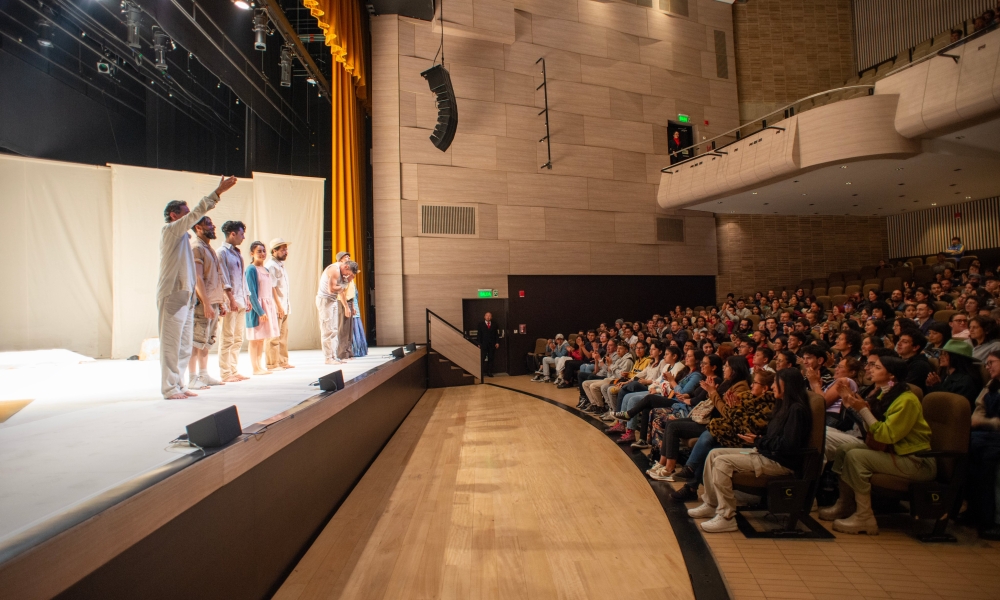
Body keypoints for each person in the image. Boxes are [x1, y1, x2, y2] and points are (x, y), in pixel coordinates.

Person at [820, 352, 935, 535]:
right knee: (844, 450)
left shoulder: (907, 400)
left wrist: (863, 410)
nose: (870, 369)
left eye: (877, 367)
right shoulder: (885, 393)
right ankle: (845, 504)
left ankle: (865, 517)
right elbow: (871, 429)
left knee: (857, 456)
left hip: (915, 461)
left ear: (891, 376)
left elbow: (886, 435)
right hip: (894, 452)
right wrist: (851, 405)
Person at [687, 368, 814, 532]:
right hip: (766, 453)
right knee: (713, 454)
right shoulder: (783, 405)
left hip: (779, 462)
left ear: (787, 385)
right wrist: (758, 439)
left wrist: (759, 441)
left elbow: (788, 446)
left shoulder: (796, 410)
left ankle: (727, 517)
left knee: (722, 461)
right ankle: (711, 504)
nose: (773, 387)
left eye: (776, 383)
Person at [157, 176, 236, 400]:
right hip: (172, 294)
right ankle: (169, 388)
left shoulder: (183, 237)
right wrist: (217, 192)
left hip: (186, 297)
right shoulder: (170, 230)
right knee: (171, 345)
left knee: (183, 346)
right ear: (174, 215)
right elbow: (195, 215)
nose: (191, 217)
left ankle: (179, 385)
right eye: (185, 212)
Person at [188, 216, 227, 390]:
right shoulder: (197, 248)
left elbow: (215, 277)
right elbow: (198, 278)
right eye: (208, 224)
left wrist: (221, 301)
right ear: (198, 228)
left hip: (214, 301)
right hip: (204, 302)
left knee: (208, 340)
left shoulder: (208, 248)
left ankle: (204, 374)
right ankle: (192, 377)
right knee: (196, 340)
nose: (213, 226)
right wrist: (205, 303)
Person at [967, 350, 1000, 539]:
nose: (987, 367)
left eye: (992, 363)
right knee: (971, 461)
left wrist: (986, 423)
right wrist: (978, 420)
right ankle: (976, 512)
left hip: (995, 436)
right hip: (985, 435)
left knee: (991, 468)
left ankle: (994, 520)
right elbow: (980, 408)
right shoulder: (991, 384)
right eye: (986, 363)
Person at [218, 220, 249, 383]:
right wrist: (230, 299)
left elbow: (242, 278)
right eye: (241, 234)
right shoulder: (222, 252)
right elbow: (224, 278)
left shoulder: (237, 253)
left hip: (241, 300)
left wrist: (247, 297)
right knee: (228, 337)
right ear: (232, 234)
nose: (243, 237)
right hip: (231, 301)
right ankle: (225, 372)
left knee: (238, 338)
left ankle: (234, 369)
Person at [245, 241, 280, 375]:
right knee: (255, 339)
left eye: (263, 251)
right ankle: (255, 367)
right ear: (252, 254)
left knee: (261, 339)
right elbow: (251, 292)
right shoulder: (251, 269)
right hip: (257, 308)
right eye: (259, 251)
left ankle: (259, 366)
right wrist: (259, 311)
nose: (262, 253)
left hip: (267, 306)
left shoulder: (265, 269)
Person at [317, 259, 359, 365]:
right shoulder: (334, 270)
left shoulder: (345, 277)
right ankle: (328, 357)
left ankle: (334, 356)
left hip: (333, 300)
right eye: (348, 274)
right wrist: (341, 287)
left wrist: (346, 307)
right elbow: (331, 289)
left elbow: (341, 293)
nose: (348, 277)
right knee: (328, 329)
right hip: (325, 300)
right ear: (345, 267)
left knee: (334, 329)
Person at [925, 339, 984, 409]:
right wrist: (930, 385)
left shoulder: (966, 381)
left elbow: (953, 404)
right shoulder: (945, 374)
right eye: (941, 353)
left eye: (945, 354)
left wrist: (936, 385)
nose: (940, 357)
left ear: (956, 357)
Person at [264, 238, 294, 371]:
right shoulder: (271, 265)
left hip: (284, 305)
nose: (285, 252)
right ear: (274, 251)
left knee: (283, 336)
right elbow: (271, 288)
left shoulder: (280, 265)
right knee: (273, 337)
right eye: (282, 249)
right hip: (277, 306)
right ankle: (272, 363)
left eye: (286, 249)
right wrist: (279, 306)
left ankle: (282, 361)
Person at [334, 251, 355, 360]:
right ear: (341, 259)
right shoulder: (339, 271)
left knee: (349, 329)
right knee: (343, 328)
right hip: (343, 302)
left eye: (349, 256)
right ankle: (342, 354)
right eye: (346, 257)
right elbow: (341, 291)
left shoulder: (349, 270)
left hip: (350, 301)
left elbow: (351, 290)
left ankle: (349, 352)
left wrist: (353, 306)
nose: (348, 258)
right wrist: (346, 306)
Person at [477, 311, 500, 377]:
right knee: (482, 358)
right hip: (483, 344)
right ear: (484, 317)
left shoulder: (494, 324)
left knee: (491, 358)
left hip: (492, 344)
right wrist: (478, 343)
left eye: (489, 316)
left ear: (491, 317)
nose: (488, 317)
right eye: (487, 315)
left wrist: (497, 342)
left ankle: (489, 372)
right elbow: (479, 335)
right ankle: (480, 372)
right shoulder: (480, 324)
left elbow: (496, 334)